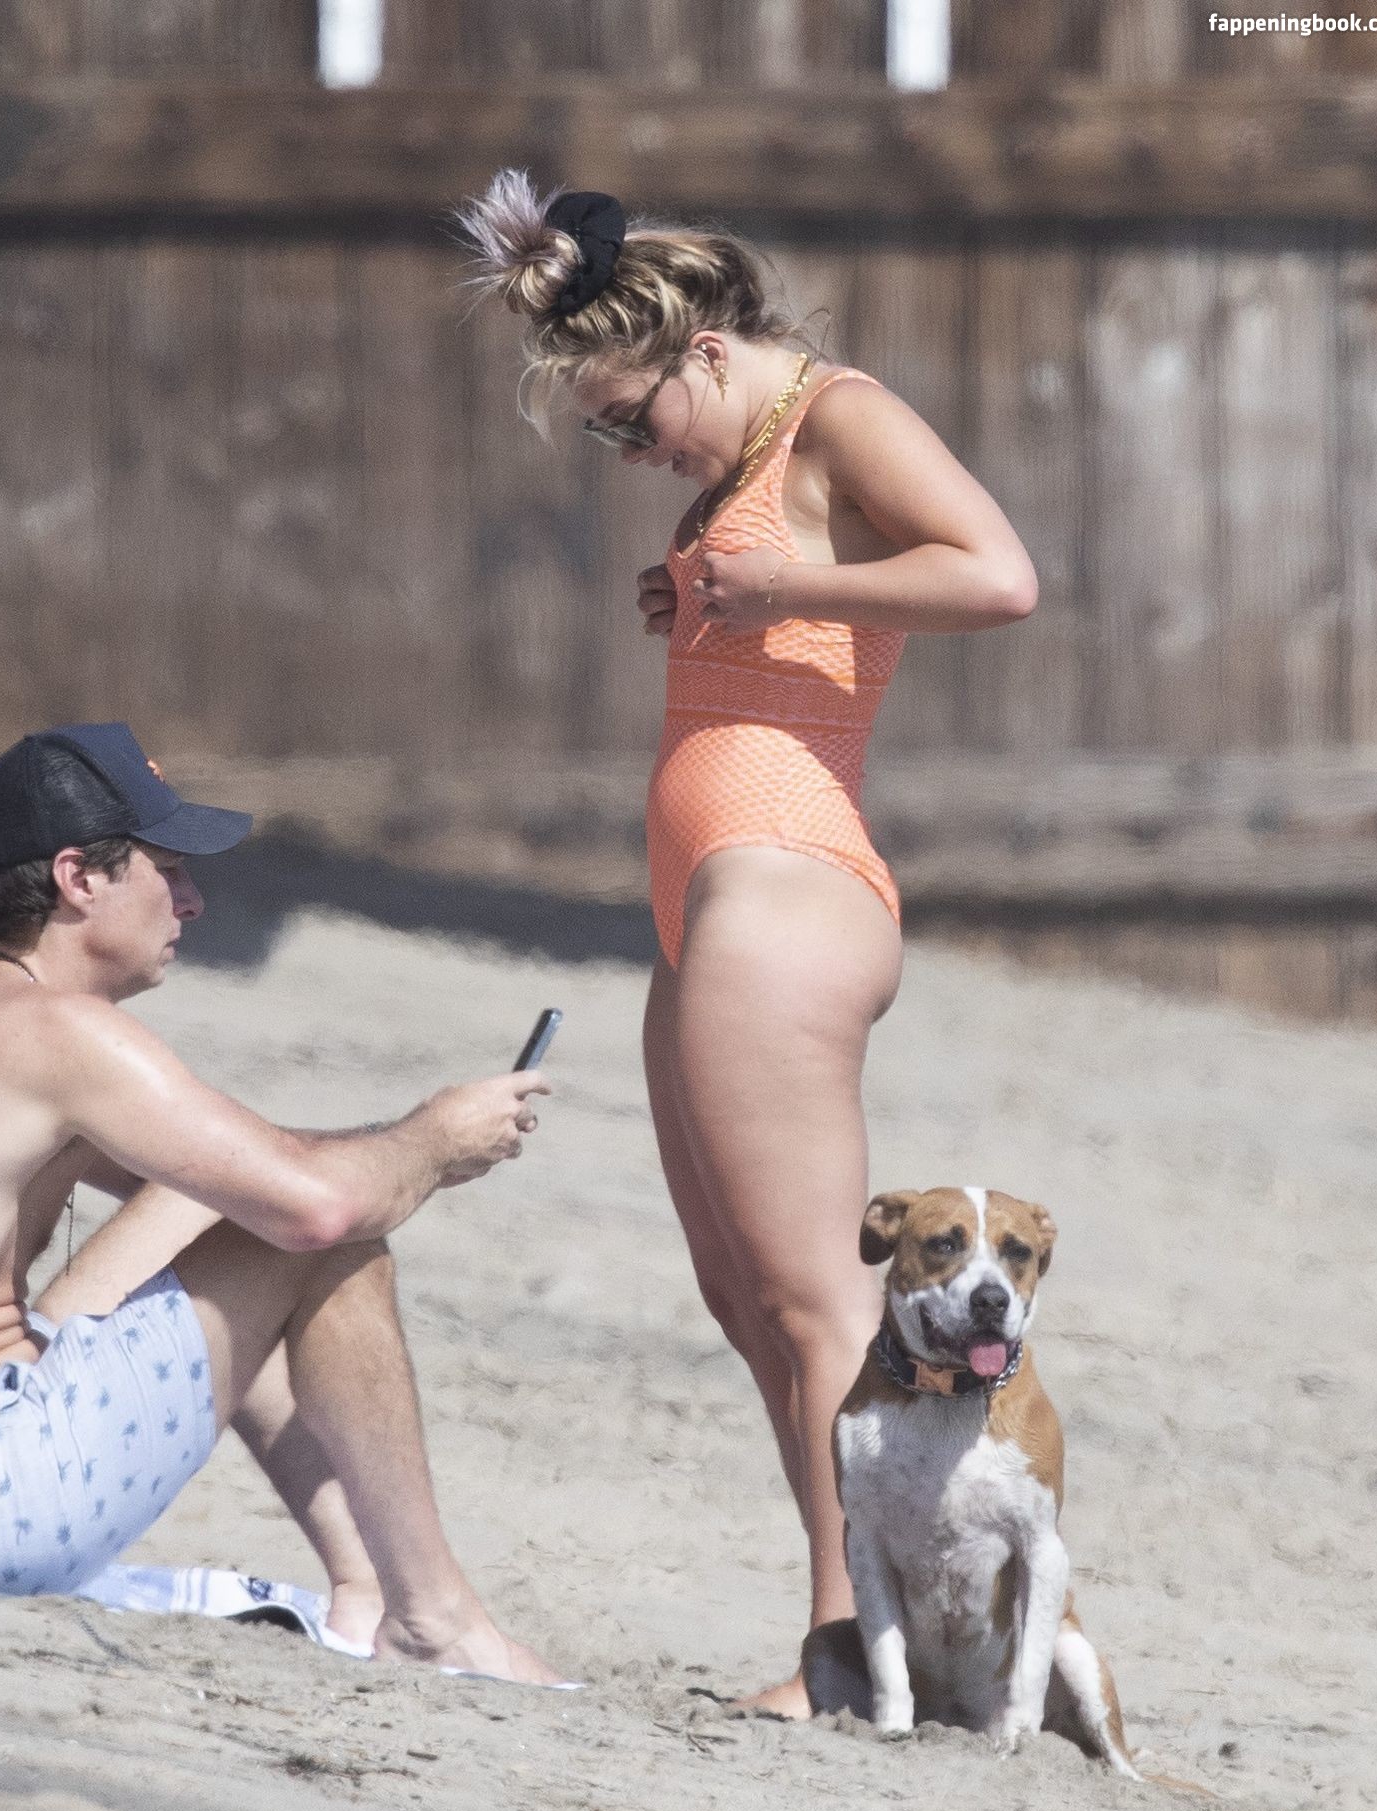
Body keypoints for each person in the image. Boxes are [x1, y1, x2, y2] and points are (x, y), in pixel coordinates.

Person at [459, 174, 1038, 1715]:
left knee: (821, 1304)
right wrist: (713, 594)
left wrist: (781, 581)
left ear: (705, 353)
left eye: (630, 419)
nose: (631, 451)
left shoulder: (839, 415)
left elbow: (997, 575)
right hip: (717, 903)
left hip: (787, 895)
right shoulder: (745, 460)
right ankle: (870, 1638)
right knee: (748, 1299)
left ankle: (863, 1652)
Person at [0, 721, 561, 1684]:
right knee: (321, 1237)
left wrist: (389, 1154)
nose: (192, 899)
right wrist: (433, 1140)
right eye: (168, 869)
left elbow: (247, 1181)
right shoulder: (58, 1032)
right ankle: (432, 1616)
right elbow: (315, 1213)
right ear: (78, 878)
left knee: (236, 1205)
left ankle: (366, 1591)